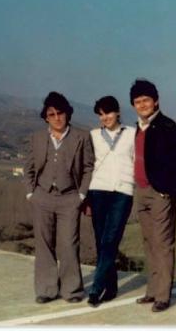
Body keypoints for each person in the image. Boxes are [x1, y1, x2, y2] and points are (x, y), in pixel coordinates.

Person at [23, 91, 94, 304]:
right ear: (46, 117)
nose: (56, 118)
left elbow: (88, 167)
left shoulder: (81, 137)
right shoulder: (37, 138)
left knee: (69, 244)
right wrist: (31, 193)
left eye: (60, 113)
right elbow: (28, 168)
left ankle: (72, 290)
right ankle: (46, 290)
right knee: (44, 244)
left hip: (70, 198)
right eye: (51, 114)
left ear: (67, 114)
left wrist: (81, 194)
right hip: (42, 197)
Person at [130, 79, 176, 313]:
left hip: (160, 193)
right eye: (138, 101)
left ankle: (163, 295)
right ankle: (152, 291)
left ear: (156, 101)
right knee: (149, 242)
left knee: (162, 244)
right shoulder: (137, 128)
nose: (142, 105)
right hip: (141, 191)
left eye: (146, 100)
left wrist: (168, 189)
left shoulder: (168, 127)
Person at [86, 96, 137, 307]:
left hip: (122, 192)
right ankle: (111, 286)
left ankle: (96, 289)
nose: (104, 117)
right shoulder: (93, 136)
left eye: (107, 112)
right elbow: (88, 165)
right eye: (100, 114)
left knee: (111, 239)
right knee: (101, 241)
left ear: (117, 112)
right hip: (98, 191)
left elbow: (138, 161)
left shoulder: (132, 134)